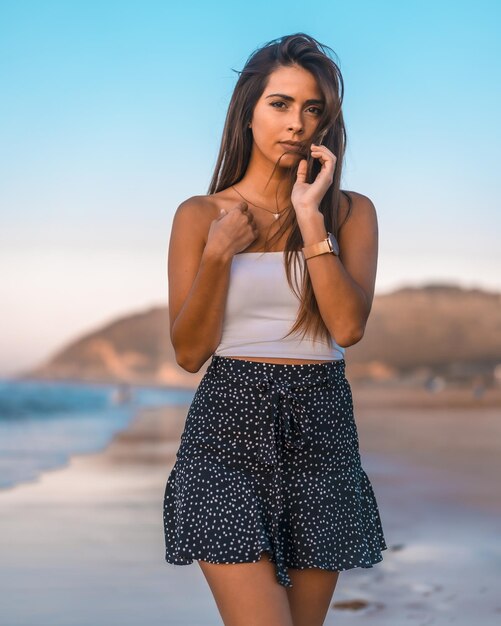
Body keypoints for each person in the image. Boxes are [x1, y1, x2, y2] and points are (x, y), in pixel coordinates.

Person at [163, 32, 387, 626]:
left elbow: (347, 326)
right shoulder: (200, 215)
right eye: (280, 104)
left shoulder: (349, 213)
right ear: (248, 111)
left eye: (313, 108)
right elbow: (189, 353)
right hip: (226, 434)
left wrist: (312, 222)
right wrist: (217, 256)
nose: (297, 123)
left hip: (322, 430)